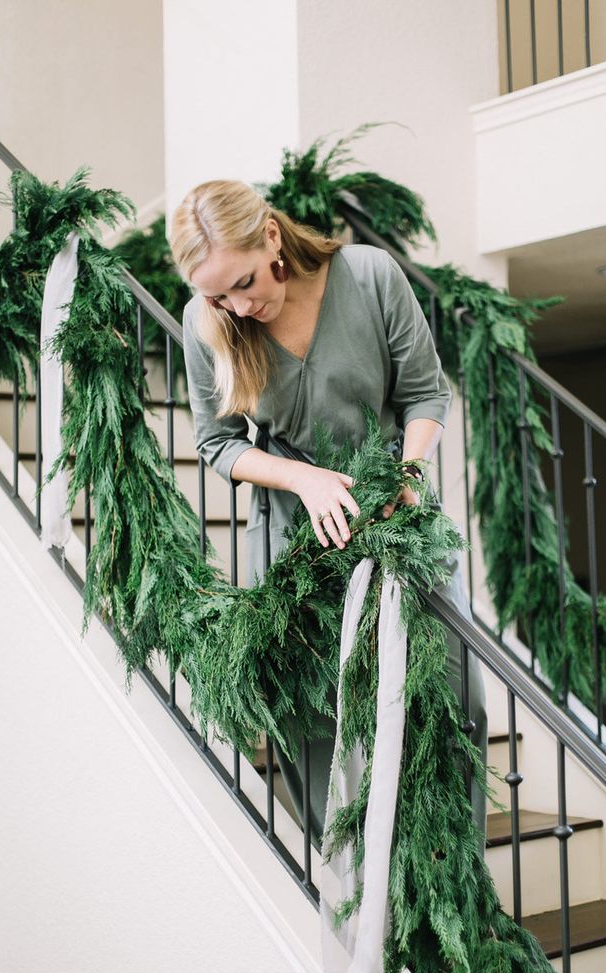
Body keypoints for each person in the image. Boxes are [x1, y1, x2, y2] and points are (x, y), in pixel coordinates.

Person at [169, 179, 488, 851]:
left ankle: (455, 889)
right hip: (294, 545)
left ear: (273, 239)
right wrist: (301, 477)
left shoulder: (369, 277)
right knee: (315, 724)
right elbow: (216, 444)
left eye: (244, 282)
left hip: (398, 523)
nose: (238, 305)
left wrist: (407, 469)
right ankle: (353, 894)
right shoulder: (211, 324)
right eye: (217, 294)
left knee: (456, 699)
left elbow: (427, 394)